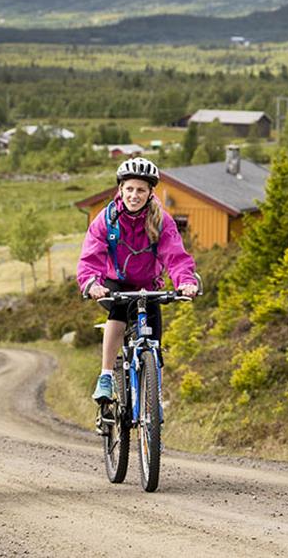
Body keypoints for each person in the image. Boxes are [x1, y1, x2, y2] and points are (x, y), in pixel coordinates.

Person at [76, 157, 198, 403]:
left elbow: (175, 256)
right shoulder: (107, 219)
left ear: (150, 192)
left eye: (141, 190)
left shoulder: (162, 220)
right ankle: (106, 376)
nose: (134, 195)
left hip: (147, 287)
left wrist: (185, 281)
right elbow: (91, 257)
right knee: (119, 313)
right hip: (114, 285)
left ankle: (151, 398)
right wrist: (92, 283)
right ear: (120, 189)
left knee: (154, 342)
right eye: (129, 189)